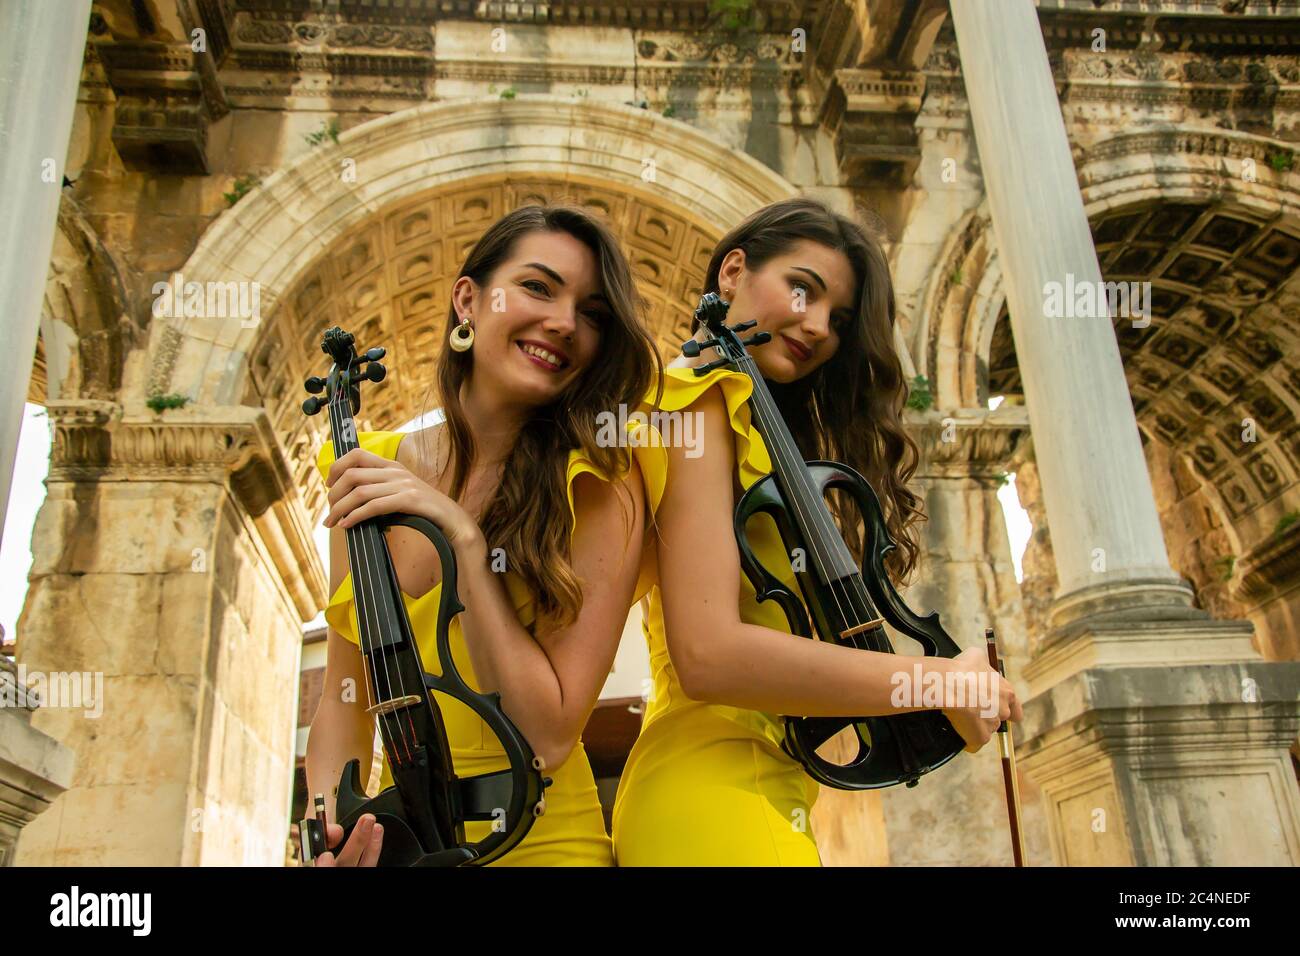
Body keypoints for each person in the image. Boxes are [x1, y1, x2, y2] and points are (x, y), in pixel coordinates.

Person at [611, 197, 1022, 866]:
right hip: (713, 792)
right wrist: (936, 681)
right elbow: (709, 655)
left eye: (839, 319)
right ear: (733, 271)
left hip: (751, 783)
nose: (818, 326)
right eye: (802, 289)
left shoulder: (745, 428)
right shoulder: (695, 402)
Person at [306, 202, 663, 866]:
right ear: (468, 299)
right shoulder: (367, 469)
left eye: (592, 313)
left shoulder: (600, 481)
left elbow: (550, 733)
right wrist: (326, 830)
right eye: (537, 287)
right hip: (405, 841)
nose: (563, 323)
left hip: (545, 842)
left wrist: (464, 541)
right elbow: (342, 699)